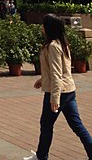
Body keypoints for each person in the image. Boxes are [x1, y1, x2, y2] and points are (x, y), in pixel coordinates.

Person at [23, 14, 92, 160]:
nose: (41, 27)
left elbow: (56, 74)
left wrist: (54, 98)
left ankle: (41, 156)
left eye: (44, 24)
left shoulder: (53, 46)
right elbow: (59, 70)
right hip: (68, 90)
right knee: (76, 125)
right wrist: (42, 80)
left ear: (49, 28)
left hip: (58, 92)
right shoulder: (62, 43)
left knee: (46, 125)